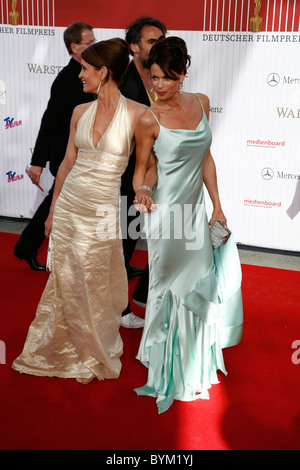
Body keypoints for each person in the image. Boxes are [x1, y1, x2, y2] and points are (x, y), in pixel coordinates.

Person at [12, 38, 146, 384]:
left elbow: (146, 166)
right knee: (67, 278)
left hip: (104, 210)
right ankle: (63, 343)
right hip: (71, 204)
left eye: (86, 68)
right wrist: (53, 210)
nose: (79, 74)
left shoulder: (138, 114)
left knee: (96, 279)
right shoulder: (79, 112)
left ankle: (93, 343)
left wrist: (144, 188)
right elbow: (68, 162)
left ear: (104, 72)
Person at [132, 37, 243, 413]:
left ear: (183, 74)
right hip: (166, 216)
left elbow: (206, 157)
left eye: (165, 78)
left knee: (198, 280)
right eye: (153, 78)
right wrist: (144, 191)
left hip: (195, 212)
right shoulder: (149, 119)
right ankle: (164, 360)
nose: (157, 86)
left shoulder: (202, 103)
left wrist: (218, 207)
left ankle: (195, 358)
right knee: (167, 285)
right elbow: (142, 169)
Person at [13, 22, 96, 270]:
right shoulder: (68, 79)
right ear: (75, 47)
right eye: (90, 43)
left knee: (60, 202)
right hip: (65, 153)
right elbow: (49, 121)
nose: (95, 46)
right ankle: (27, 247)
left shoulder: (89, 72)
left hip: (83, 151)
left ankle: (29, 247)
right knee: (56, 202)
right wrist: (38, 161)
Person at [119, 16, 167, 329]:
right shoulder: (122, 80)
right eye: (152, 41)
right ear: (134, 47)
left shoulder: (157, 79)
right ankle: (118, 310)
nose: (158, 45)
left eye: (162, 39)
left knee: (133, 239)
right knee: (120, 244)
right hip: (122, 178)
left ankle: (131, 300)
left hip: (148, 177)